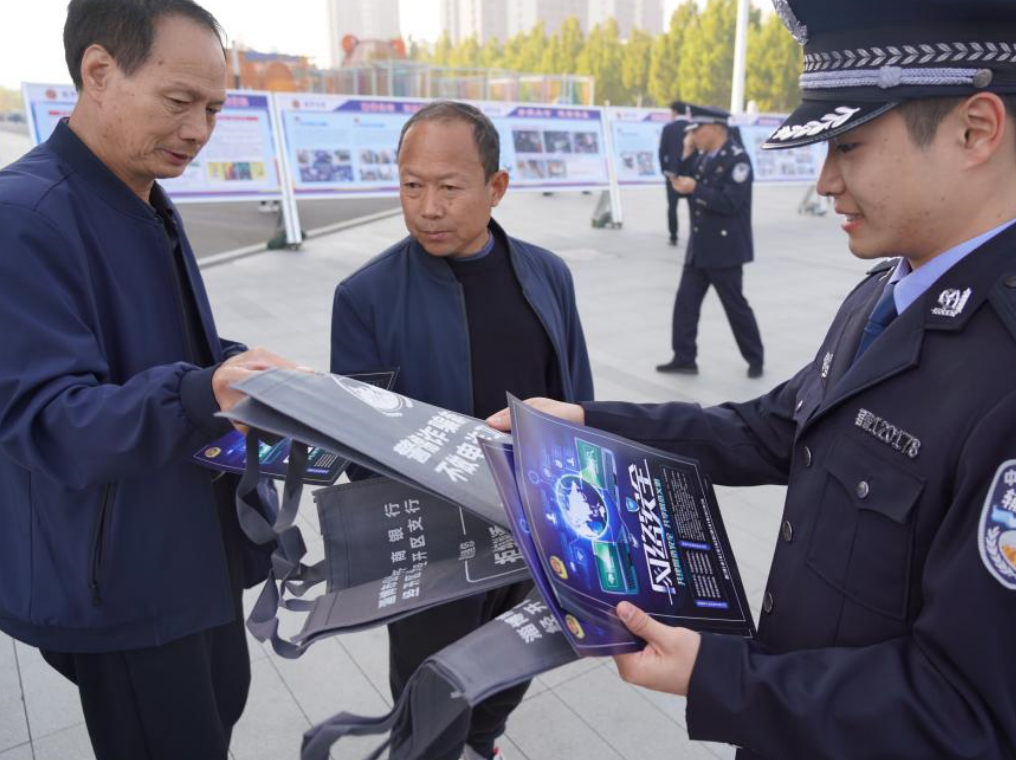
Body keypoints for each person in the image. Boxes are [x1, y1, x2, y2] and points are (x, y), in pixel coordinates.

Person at [488, 1, 1016, 758]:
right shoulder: (888, 290)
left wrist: (722, 677)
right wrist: (589, 422)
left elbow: (971, 712)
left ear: (975, 131)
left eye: (849, 145)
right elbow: (773, 428)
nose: (826, 181)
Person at [0, 1, 303, 757]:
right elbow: (48, 418)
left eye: (213, 108)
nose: (198, 130)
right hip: (125, 580)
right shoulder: (24, 216)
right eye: (178, 101)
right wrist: (202, 392)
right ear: (99, 71)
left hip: (189, 547)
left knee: (219, 708)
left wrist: (237, 368)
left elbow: (147, 348)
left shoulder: (138, 194)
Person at [330, 100, 594, 760]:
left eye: (449, 187)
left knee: (516, 661)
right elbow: (355, 445)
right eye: (411, 185)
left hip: (532, 524)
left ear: (496, 186)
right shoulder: (365, 297)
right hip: (436, 546)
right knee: (430, 695)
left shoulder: (548, 275)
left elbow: (575, 396)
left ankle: (483, 740)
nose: (428, 207)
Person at [657, 103, 764, 378]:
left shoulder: (738, 160)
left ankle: (755, 358)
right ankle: (684, 358)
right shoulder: (703, 156)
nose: (693, 135)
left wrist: (696, 188)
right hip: (699, 247)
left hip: (724, 249)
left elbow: (729, 203)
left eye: (697, 129)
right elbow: (681, 180)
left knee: (735, 307)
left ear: (716, 128)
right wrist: (685, 152)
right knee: (685, 304)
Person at [659, 100, 689, 245]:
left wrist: (664, 169)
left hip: (673, 174)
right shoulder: (692, 128)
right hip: (691, 174)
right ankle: (696, 234)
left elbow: (662, 152)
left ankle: (673, 236)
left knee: (672, 206)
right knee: (694, 205)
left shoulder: (668, 128)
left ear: (675, 112)